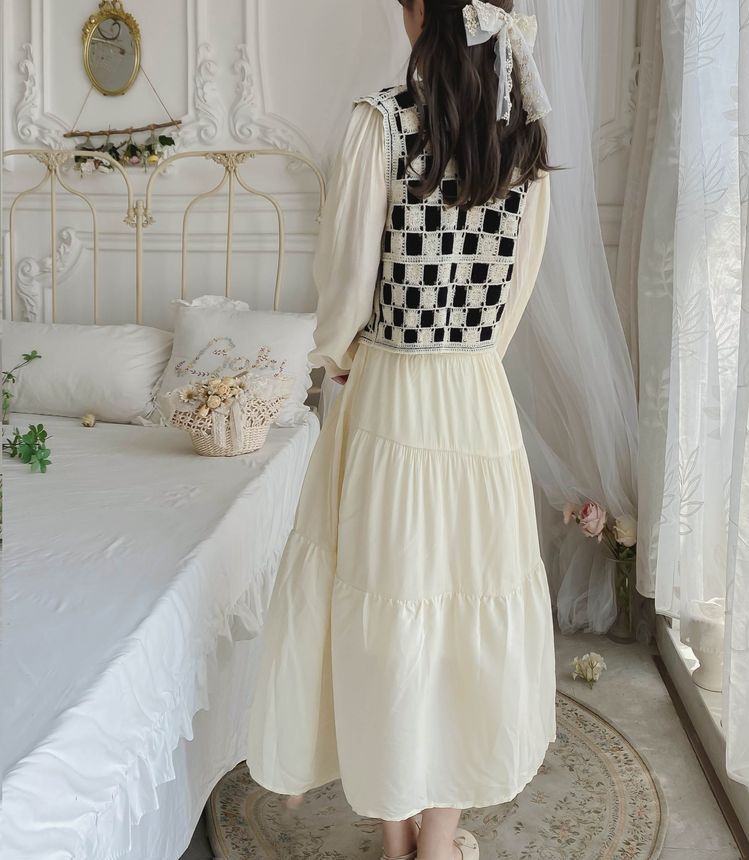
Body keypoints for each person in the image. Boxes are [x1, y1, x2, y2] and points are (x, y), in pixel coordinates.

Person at [247, 1, 556, 857]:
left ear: (418, 16)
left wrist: (339, 353)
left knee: (382, 610)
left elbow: (347, 278)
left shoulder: (379, 126)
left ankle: (395, 840)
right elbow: (517, 290)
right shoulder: (524, 139)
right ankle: (439, 841)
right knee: (461, 616)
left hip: (390, 394)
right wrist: (467, 354)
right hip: (477, 401)